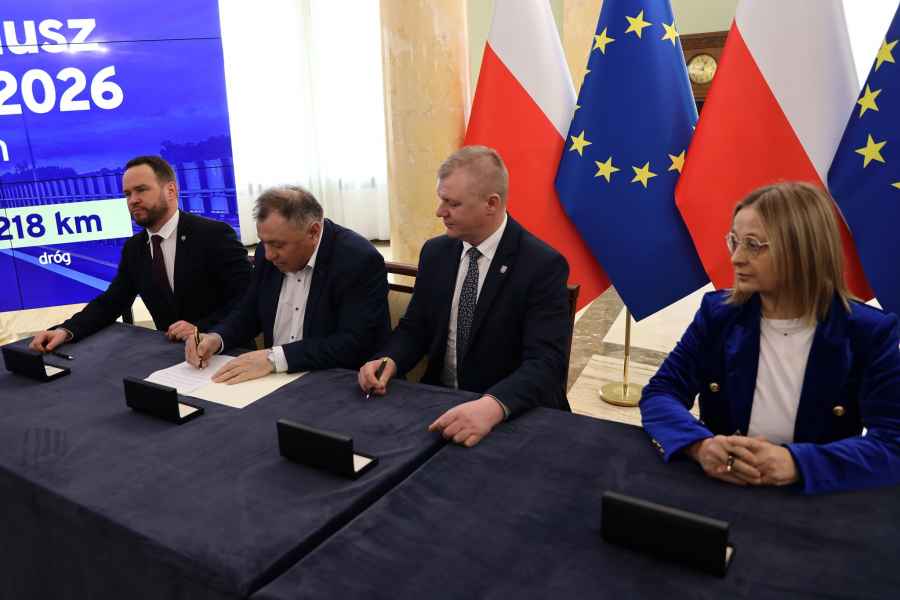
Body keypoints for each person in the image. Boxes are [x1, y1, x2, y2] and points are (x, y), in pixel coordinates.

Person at [640, 182, 900, 494]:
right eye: (734, 242)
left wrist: (797, 463)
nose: (736, 258)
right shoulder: (718, 315)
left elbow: (892, 444)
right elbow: (660, 393)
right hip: (721, 489)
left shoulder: (867, 332)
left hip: (815, 502)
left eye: (753, 245)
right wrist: (700, 445)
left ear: (801, 250)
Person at [358, 145, 572, 448]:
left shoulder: (541, 265)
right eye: (441, 199)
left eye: (452, 203)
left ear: (491, 204)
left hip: (508, 414)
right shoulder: (436, 252)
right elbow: (415, 328)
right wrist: (389, 360)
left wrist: (492, 406)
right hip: (438, 404)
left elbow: (546, 364)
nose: (439, 211)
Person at [29, 155, 251, 352]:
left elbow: (247, 298)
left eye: (141, 190)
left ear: (171, 190)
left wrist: (201, 329)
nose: (132, 200)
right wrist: (65, 330)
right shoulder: (135, 248)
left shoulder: (214, 235)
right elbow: (112, 302)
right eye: (127, 194)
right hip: (172, 358)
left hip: (227, 353)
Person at [186, 185, 390, 383]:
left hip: (335, 380)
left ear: (313, 232)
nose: (269, 254)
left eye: (278, 245)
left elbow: (353, 343)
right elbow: (249, 312)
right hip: (272, 380)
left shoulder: (358, 260)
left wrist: (274, 359)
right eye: (263, 242)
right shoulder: (267, 253)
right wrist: (217, 338)